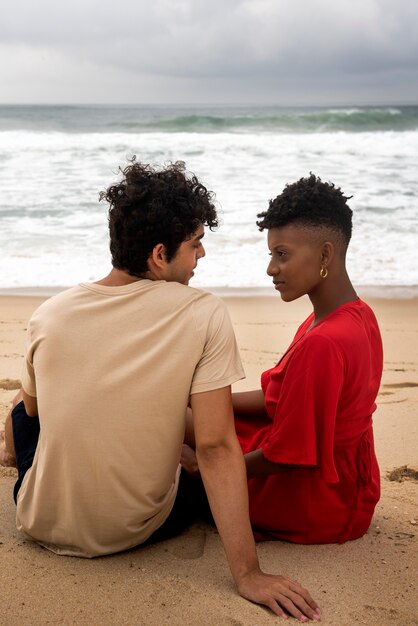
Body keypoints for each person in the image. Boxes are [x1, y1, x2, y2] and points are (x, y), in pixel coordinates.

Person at [0, 159, 320, 622]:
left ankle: (13, 453)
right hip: (133, 530)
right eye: (195, 245)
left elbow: (35, 410)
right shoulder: (203, 313)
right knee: (191, 464)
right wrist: (249, 574)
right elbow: (214, 446)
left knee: (19, 408)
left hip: (34, 518)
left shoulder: (50, 312)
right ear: (158, 255)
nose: (202, 256)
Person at [183, 173, 383, 545]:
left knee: (183, 428)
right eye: (271, 254)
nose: (271, 269)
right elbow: (280, 398)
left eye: (283, 255)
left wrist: (209, 473)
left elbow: (286, 457)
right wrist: (208, 401)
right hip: (349, 486)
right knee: (197, 415)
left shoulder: (324, 343)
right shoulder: (353, 314)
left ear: (325, 254)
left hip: (313, 499)